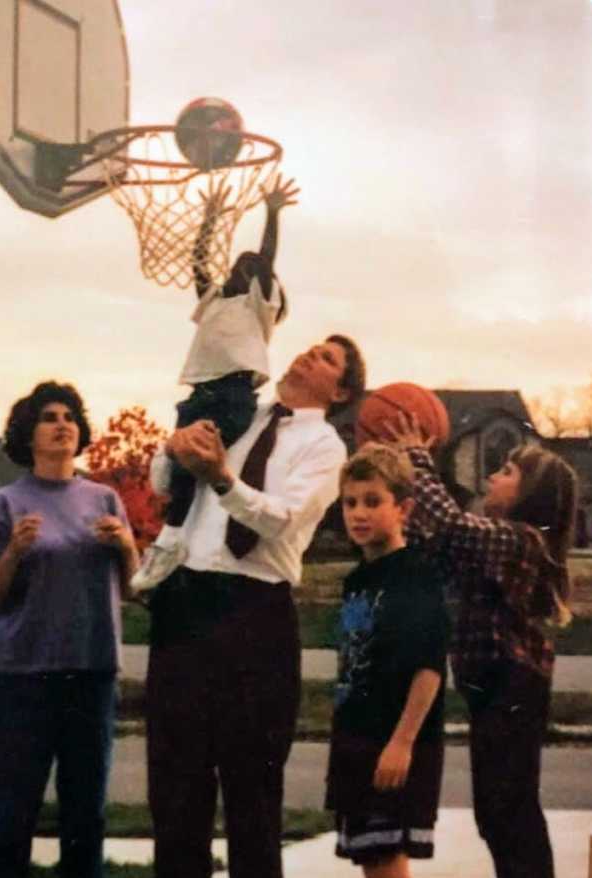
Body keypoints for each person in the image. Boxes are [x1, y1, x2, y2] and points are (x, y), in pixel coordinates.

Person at [145, 334, 367, 878]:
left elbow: (281, 520)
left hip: (254, 613)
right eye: (311, 346)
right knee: (175, 788)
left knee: (253, 793)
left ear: (340, 390)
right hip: (185, 606)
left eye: (327, 358)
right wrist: (172, 450)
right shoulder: (235, 410)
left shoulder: (327, 448)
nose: (307, 354)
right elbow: (160, 484)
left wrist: (223, 476)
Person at [386, 415, 579, 878]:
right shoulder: (495, 543)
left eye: (507, 472)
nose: (493, 475)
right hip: (493, 688)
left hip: (512, 686)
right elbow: (433, 539)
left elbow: (450, 527)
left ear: (532, 496)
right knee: (498, 814)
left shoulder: (520, 541)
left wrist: (416, 457)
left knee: (508, 811)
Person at [0, 381, 139, 878]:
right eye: (49, 416)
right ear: (28, 433)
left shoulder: (104, 498)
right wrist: (14, 552)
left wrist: (127, 546)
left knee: (85, 813)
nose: (62, 423)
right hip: (23, 677)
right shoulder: (6, 503)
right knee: (12, 813)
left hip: (91, 673)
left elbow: (133, 588)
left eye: (69, 416)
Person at [131, 173, 300, 590]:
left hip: (233, 394)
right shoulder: (214, 302)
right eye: (237, 266)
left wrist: (271, 212)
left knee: (193, 462)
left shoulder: (257, 305)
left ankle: (169, 541)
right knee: (178, 464)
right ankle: (172, 534)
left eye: (250, 268)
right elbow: (199, 259)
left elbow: (266, 256)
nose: (241, 269)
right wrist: (209, 217)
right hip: (198, 393)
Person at [326, 443, 448, 877]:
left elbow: (429, 666)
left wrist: (402, 742)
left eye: (373, 502)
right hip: (356, 741)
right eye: (350, 502)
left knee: (385, 859)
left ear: (405, 508)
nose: (358, 513)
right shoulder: (357, 580)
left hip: (393, 743)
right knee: (369, 857)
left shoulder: (415, 573)